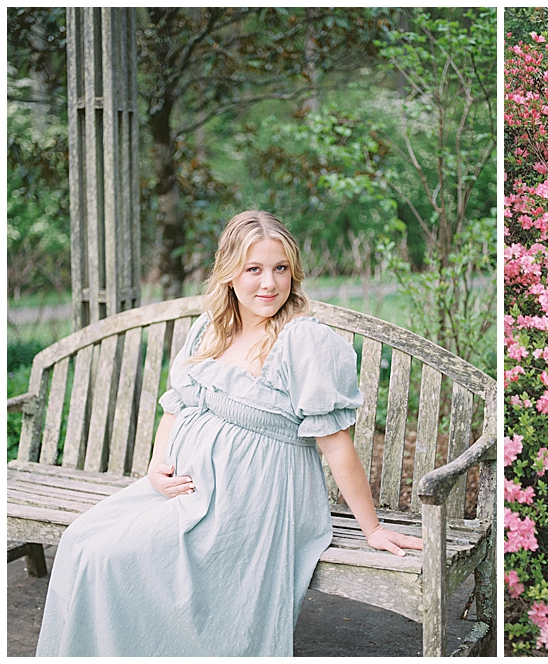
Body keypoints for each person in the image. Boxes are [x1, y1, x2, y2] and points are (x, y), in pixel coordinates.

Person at [36, 211, 422, 656]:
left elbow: (336, 444)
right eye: (253, 269)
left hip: (256, 496)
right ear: (229, 274)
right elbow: (177, 406)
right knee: (82, 541)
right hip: (189, 487)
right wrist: (156, 469)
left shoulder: (302, 341)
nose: (269, 284)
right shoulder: (212, 328)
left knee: (109, 558)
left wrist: (371, 528)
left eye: (280, 269)